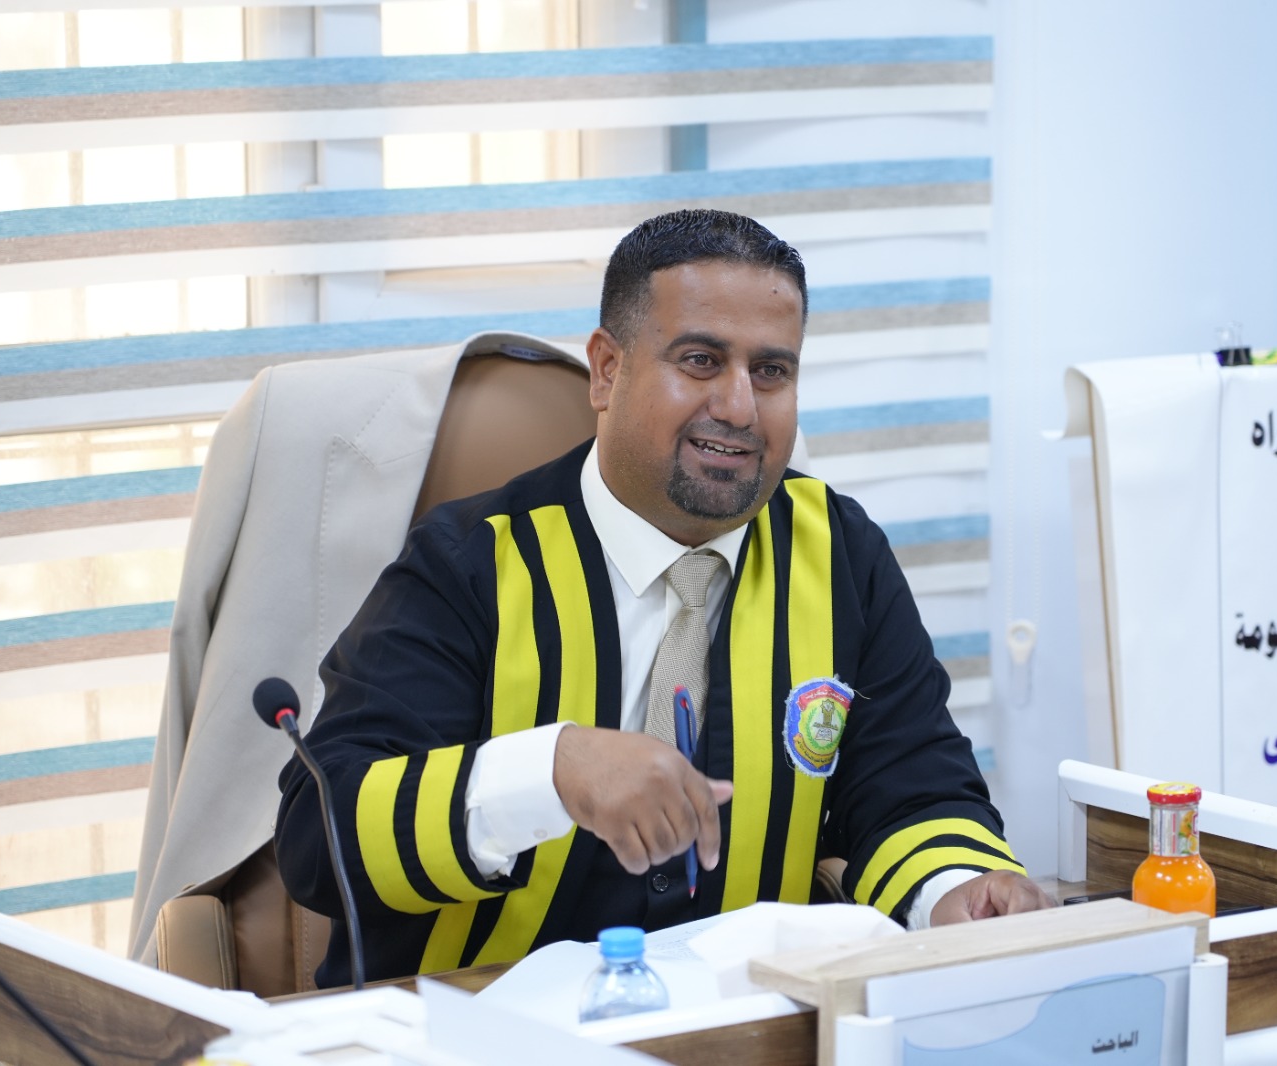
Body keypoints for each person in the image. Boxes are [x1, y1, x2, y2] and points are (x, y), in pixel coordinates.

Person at [275, 209, 1051, 986]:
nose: (740, 408)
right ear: (606, 371)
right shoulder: (473, 562)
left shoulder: (840, 554)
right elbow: (319, 833)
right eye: (701, 361)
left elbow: (910, 786)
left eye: (771, 372)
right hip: (479, 1020)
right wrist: (551, 771)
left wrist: (954, 891)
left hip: (742, 1022)